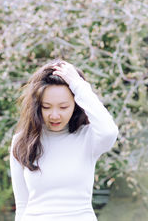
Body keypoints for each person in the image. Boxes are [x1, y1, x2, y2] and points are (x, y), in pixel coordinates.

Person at [10, 59, 119, 221]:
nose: (54, 115)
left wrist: (78, 85)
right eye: (46, 107)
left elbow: (109, 131)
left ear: (76, 105)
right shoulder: (21, 142)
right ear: (37, 106)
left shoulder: (88, 138)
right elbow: (22, 205)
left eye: (63, 107)